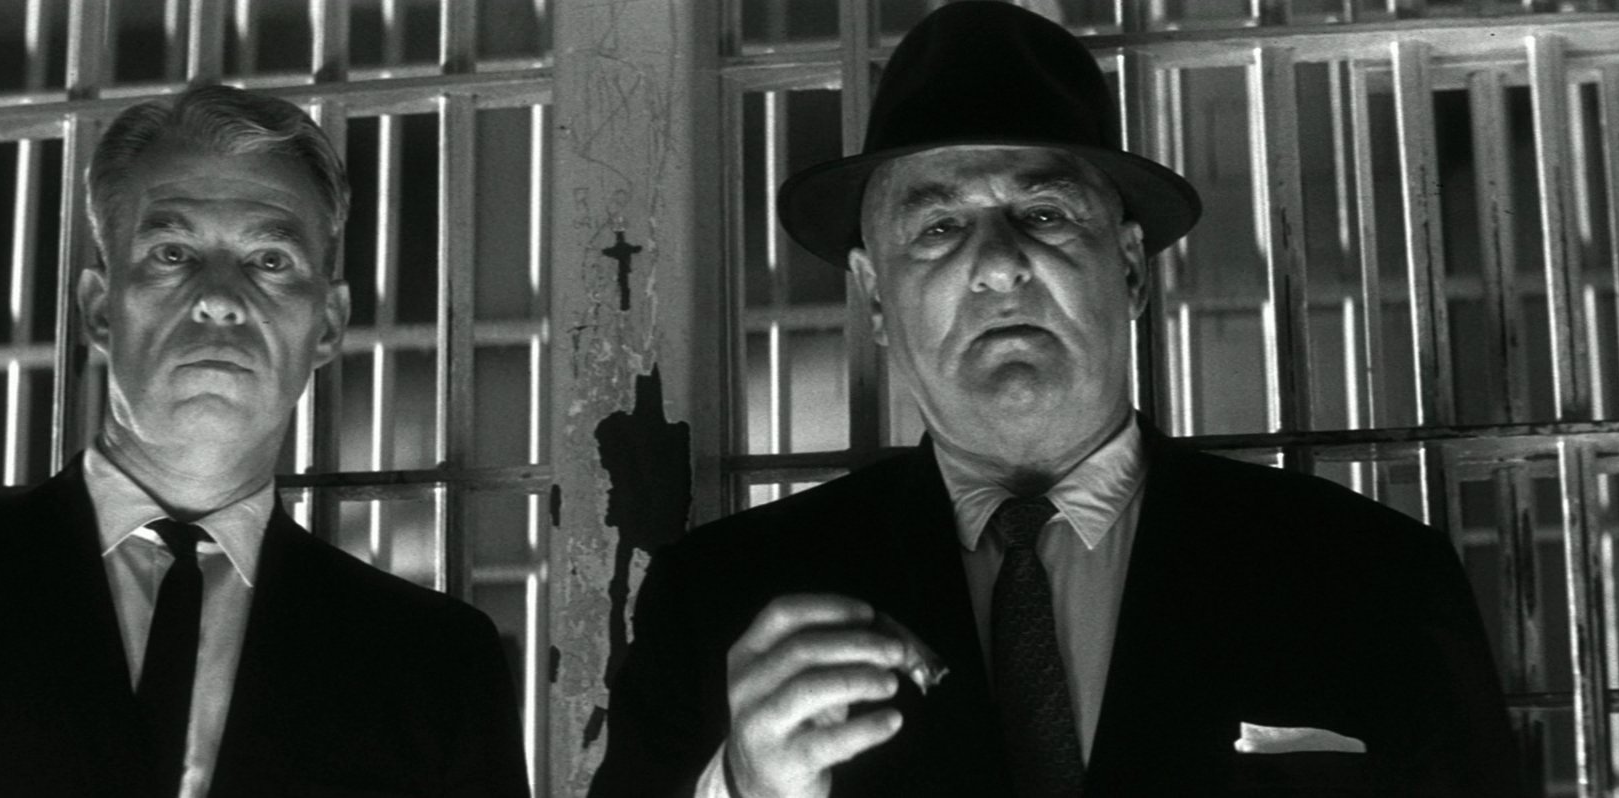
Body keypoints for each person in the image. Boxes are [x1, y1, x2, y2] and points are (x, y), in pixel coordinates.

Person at [588, 4, 1519, 797]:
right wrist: (741, 788)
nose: (998, 265)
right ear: (874, 297)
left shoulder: (1372, 581)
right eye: (939, 226)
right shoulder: (721, 601)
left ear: (1129, 267)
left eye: (1043, 214)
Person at [0, 85, 530, 798]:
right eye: (172, 254)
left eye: (270, 259)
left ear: (327, 325)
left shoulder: (434, 663)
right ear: (99, 309)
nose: (220, 299)